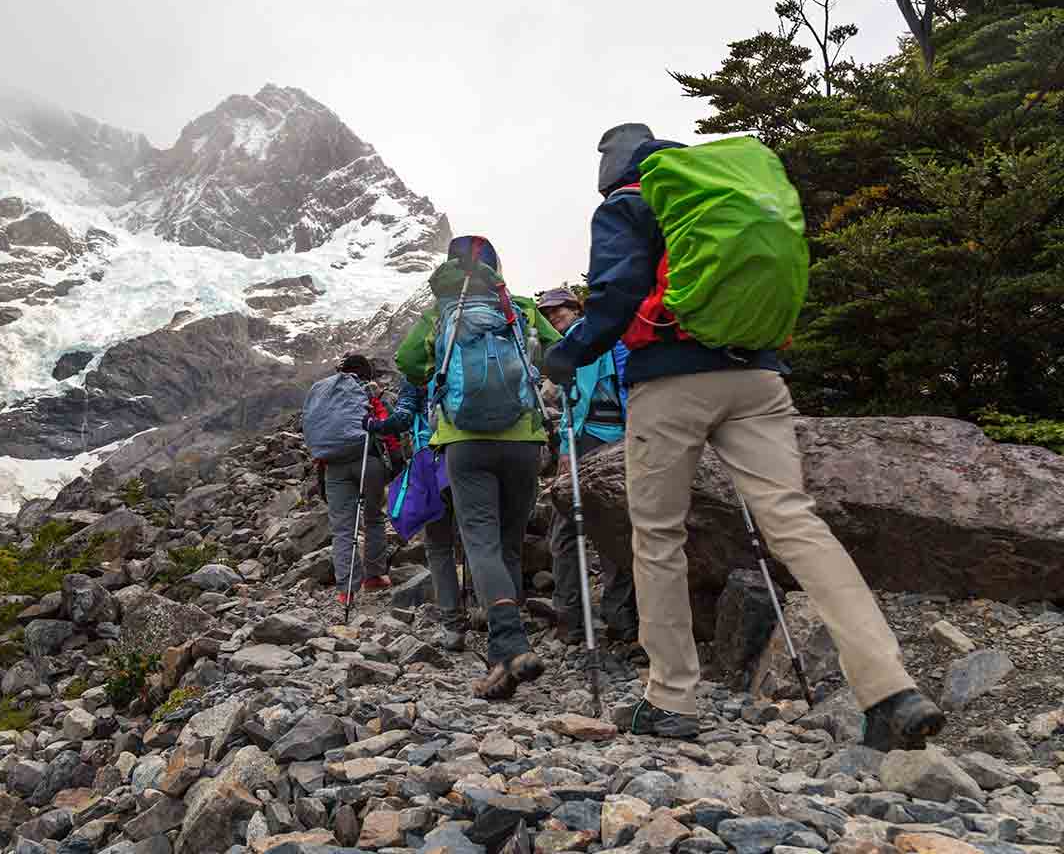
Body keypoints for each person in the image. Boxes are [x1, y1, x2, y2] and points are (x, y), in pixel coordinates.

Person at [544, 123, 944, 749]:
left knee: (657, 535)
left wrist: (570, 351)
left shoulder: (628, 202)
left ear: (610, 167)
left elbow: (617, 295)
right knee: (794, 521)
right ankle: (889, 688)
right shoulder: (719, 192)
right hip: (757, 376)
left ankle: (671, 698)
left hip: (673, 381)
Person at [394, 235, 563, 697]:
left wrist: (434, 376)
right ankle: (503, 658)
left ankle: (509, 640)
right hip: (524, 440)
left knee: (480, 543)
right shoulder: (522, 308)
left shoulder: (441, 311)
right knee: (508, 544)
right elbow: (559, 353)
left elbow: (406, 360)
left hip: (464, 442)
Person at [536, 286, 638, 648]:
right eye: (548, 313)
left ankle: (574, 619)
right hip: (613, 438)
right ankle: (618, 617)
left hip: (592, 440)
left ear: (574, 308)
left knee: (566, 531)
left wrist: (567, 448)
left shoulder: (582, 343)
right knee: (613, 527)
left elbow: (574, 404)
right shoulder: (604, 338)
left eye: (558, 310)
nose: (553, 317)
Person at [367, 378, 468, 651]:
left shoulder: (418, 369)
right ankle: (487, 612)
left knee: (438, 544)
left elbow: (402, 418)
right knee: (476, 537)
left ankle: (453, 625)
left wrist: (373, 425)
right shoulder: (473, 354)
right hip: (472, 451)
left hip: (431, 458)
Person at [320, 353, 392, 605]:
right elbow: (387, 423)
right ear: (366, 373)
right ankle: (374, 576)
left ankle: (346, 589)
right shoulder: (368, 392)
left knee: (342, 528)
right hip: (367, 459)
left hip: (334, 465)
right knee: (373, 517)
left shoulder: (328, 394)